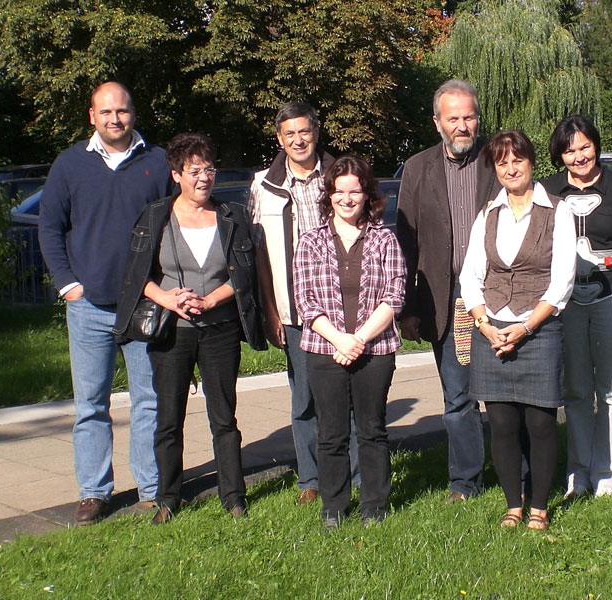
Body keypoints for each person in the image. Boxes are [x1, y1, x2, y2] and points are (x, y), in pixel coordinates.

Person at [114, 132, 268, 523]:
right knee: (168, 418)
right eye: (195, 170)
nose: (204, 177)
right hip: (172, 331)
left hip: (220, 329)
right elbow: (135, 278)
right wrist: (165, 299)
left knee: (224, 417)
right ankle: (169, 498)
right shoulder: (155, 217)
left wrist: (215, 298)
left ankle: (233, 497)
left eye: (209, 169)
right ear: (176, 174)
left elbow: (245, 276)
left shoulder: (230, 216)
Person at [38, 81, 173, 524]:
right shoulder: (70, 164)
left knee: (148, 399)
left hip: (143, 303)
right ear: (92, 116)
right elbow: (50, 228)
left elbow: (174, 226)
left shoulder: (156, 162)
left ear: (134, 113)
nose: (115, 119)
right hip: (89, 305)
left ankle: (152, 490)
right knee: (91, 404)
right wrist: (67, 285)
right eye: (106, 112)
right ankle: (94, 492)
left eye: (123, 111)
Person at [459, 130, 575, 530]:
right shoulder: (487, 215)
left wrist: (525, 328)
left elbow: (563, 281)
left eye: (517, 160)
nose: (510, 168)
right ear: (496, 168)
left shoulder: (557, 211)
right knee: (503, 423)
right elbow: (470, 277)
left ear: (531, 163)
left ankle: (540, 507)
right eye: (502, 162)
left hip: (538, 328)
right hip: (490, 328)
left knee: (540, 423)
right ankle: (513, 504)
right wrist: (484, 323)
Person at [396, 79, 501, 502]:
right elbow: (406, 241)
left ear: (479, 117)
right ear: (437, 122)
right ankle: (466, 483)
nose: (462, 126)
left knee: (504, 394)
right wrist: (408, 305)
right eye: (452, 118)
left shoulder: (500, 159)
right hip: (444, 296)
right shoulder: (418, 168)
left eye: (468, 117)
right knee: (457, 396)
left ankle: (521, 474)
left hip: (497, 294)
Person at [248, 102, 359, 504]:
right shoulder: (263, 185)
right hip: (294, 311)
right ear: (279, 138)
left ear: (316, 132)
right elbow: (258, 253)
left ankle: (356, 473)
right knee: (305, 398)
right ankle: (311, 480)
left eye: (304, 132)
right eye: (289, 133)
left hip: (344, 308)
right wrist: (271, 311)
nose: (298, 140)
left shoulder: (339, 176)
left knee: (348, 394)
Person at [541, 116, 612, 499]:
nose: (578, 156)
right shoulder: (549, 191)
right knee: (575, 390)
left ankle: (609, 474)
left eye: (585, 146)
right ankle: (579, 474)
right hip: (567, 299)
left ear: (596, 146)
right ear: (560, 155)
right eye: (570, 150)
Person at [292, 155, 405, 528]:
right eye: (339, 190)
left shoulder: (384, 239)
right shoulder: (310, 242)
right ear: (329, 195)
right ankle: (334, 507)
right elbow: (305, 300)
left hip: (375, 349)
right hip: (325, 349)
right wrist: (340, 339)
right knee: (332, 433)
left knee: (372, 430)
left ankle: (375, 505)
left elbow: (395, 295)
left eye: (354, 190)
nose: (346, 198)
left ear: (367, 194)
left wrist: (358, 338)